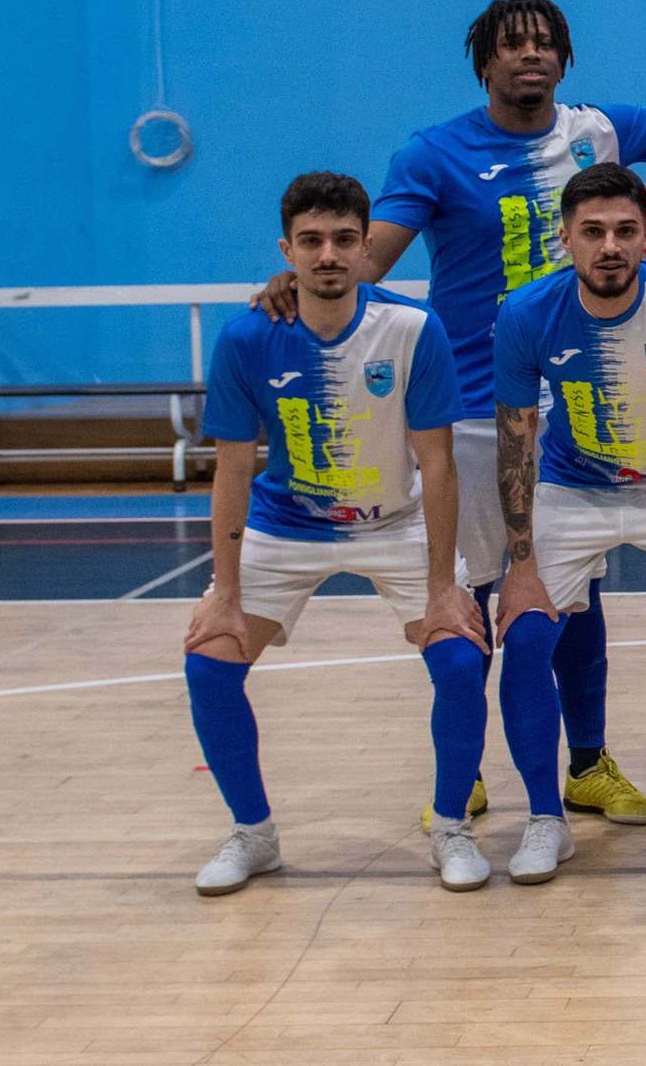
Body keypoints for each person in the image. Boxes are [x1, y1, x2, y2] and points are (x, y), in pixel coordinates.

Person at [257, 0, 646, 827]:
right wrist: (298, 279)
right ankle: (464, 769)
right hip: (478, 407)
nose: (529, 55)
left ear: (565, 60)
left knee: (572, 590)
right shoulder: (434, 154)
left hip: (581, 402)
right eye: (512, 45)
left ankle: (587, 764)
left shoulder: (599, 131)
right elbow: (368, 261)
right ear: (484, 64)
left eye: (545, 43)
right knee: (473, 592)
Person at [184, 172, 488, 895]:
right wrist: (226, 593)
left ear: (364, 247)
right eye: (312, 241)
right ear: (286, 250)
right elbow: (232, 470)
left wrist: (443, 586)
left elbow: (438, 464)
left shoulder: (413, 329)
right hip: (285, 525)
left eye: (344, 239)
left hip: (396, 522)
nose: (328, 255)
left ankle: (452, 827)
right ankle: (253, 834)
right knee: (209, 663)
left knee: (459, 658)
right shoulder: (248, 337)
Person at [489, 163, 646, 882]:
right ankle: (546, 819)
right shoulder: (525, 313)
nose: (610, 246)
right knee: (526, 636)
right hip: (570, 488)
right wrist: (521, 566)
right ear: (565, 238)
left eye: (626, 231)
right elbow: (514, 443)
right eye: (593, 232)